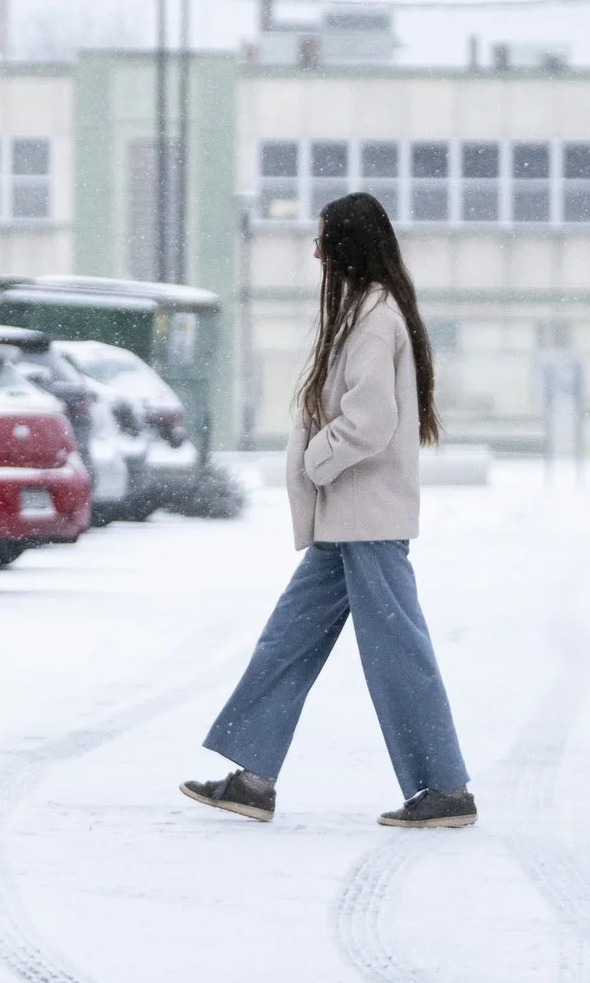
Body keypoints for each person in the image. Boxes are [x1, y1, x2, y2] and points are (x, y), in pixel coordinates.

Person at [182, 191, 475, 829]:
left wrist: (317, 459)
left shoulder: (373, 319)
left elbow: (370, 420)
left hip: (368, 522)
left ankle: (445, 788)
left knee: (397, 654)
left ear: (346, 247)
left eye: (322, 241)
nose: (315, 253)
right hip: (346, 524)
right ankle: (251, 778)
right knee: (286, 642)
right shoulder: (363, 314)